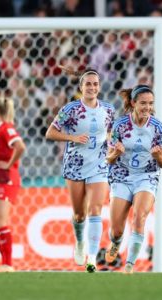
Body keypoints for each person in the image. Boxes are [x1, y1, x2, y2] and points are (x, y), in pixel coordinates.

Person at [45, 67, 115, 273]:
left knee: (96, 209)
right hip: (75, 165)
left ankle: (92, 257)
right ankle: (79, 242)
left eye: (95, 84)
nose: (92, 87)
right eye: (88, 84)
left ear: (99, 87)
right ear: (81, 87)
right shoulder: (71, 109)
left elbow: (110, 134)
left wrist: (114, 145)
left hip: (99, 166)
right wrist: (72, 138)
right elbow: (50, 133)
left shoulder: (108, 110)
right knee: (79, 215)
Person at [105, 85, 162, 274]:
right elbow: (108, 158)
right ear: (133, 103)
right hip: (122, 176)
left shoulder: (158, 128)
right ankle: (115, 243)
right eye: (143, 103)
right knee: (117, 229)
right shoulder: (120, 125)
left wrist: (157, 157)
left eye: (150, 103)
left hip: (146, 176)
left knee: (139, 217)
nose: (147, 107)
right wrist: (115, 152)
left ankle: (130, 264)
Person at [0, 97, 26, 272]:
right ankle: (4, 263)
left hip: (6, 177)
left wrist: (9, 165)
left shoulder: (6, 128)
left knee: (1, 221)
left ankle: (8, 264)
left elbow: (20, 147)